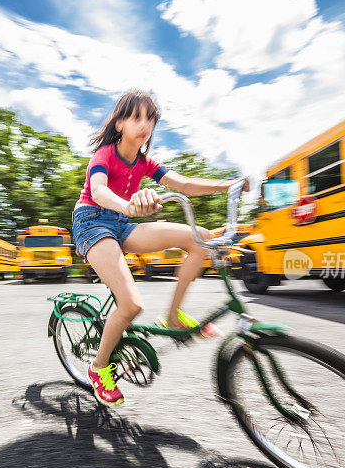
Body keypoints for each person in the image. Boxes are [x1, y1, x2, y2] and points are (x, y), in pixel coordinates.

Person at [72, 90, 248, 406]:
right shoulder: (104, 156)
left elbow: (184, 185)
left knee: (201, 239)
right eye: (136, 117)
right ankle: (99, 368)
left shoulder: (145, 162)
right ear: (120, 122)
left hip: (121, 223)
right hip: (92, 222)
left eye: (150, 119)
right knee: (131, 305)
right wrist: (127, 205)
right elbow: (98, 192)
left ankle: (173, 317)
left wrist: (229, 185)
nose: (145, 125)